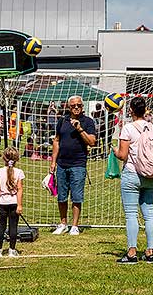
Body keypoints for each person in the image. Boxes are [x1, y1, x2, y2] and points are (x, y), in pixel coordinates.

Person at [113, 97, 153, 264]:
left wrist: (114, 151)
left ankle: (132, 252)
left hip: (132, 173)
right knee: (149, 213)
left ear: (130, 110)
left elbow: (123, 155)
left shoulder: (128, 128)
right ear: (145, 109)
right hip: (150, 174)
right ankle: (150, 251)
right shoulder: (150, 126)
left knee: (131, 214)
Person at [50, 96, 96, 235]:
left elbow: (92, 142)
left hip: (78, 164)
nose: (76, 108)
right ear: (68, 107)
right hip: (62, 164)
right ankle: (63, 223)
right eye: (73, 106)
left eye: (79, 105)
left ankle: (75, 225)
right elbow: (56, 141)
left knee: (77, 196)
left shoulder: (88, 122)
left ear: (82, 106)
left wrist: (80, 129)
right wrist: (53, 162)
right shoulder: (62, 121)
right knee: (62, 196)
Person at [0, 147, 24, 258]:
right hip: (14, 202)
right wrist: (19, 205)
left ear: (3, 158)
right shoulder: (19, 172)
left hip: (3, 203)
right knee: (13, 226)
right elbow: (20, 190)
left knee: (1, 226)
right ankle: (12, 250)